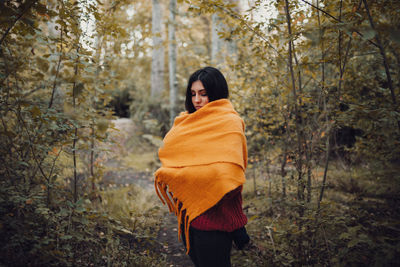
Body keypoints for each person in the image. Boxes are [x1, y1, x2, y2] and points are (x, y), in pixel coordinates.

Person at [154, 66, 250, 267]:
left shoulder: (230, 123)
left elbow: (228, 177)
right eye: (193, 94)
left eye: (204, 94)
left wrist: (192, 176)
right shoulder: (185, 122)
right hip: (189, 219)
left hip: (216, 223)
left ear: (216, 94)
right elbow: (170, 157)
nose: (197, 100)